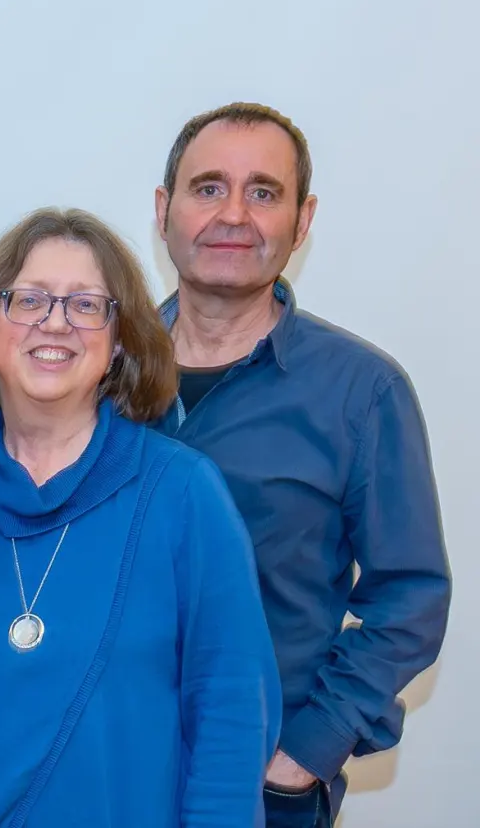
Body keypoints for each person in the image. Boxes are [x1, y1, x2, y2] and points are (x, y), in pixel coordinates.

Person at [0, 207, 280, 827]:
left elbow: (231, 716)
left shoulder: (183, 494)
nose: (55, 323)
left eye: (85, 305)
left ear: (119, 338)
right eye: (28, 301)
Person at [152, 103, 451, 826]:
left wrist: (306, 754)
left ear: (302, 220)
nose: (233, 214)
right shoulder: (100, 370)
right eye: (207, 187)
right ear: (164, 211)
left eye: (263, 192)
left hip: (262, 795)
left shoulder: (362, 392)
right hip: (106, 772)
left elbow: (409, 600)